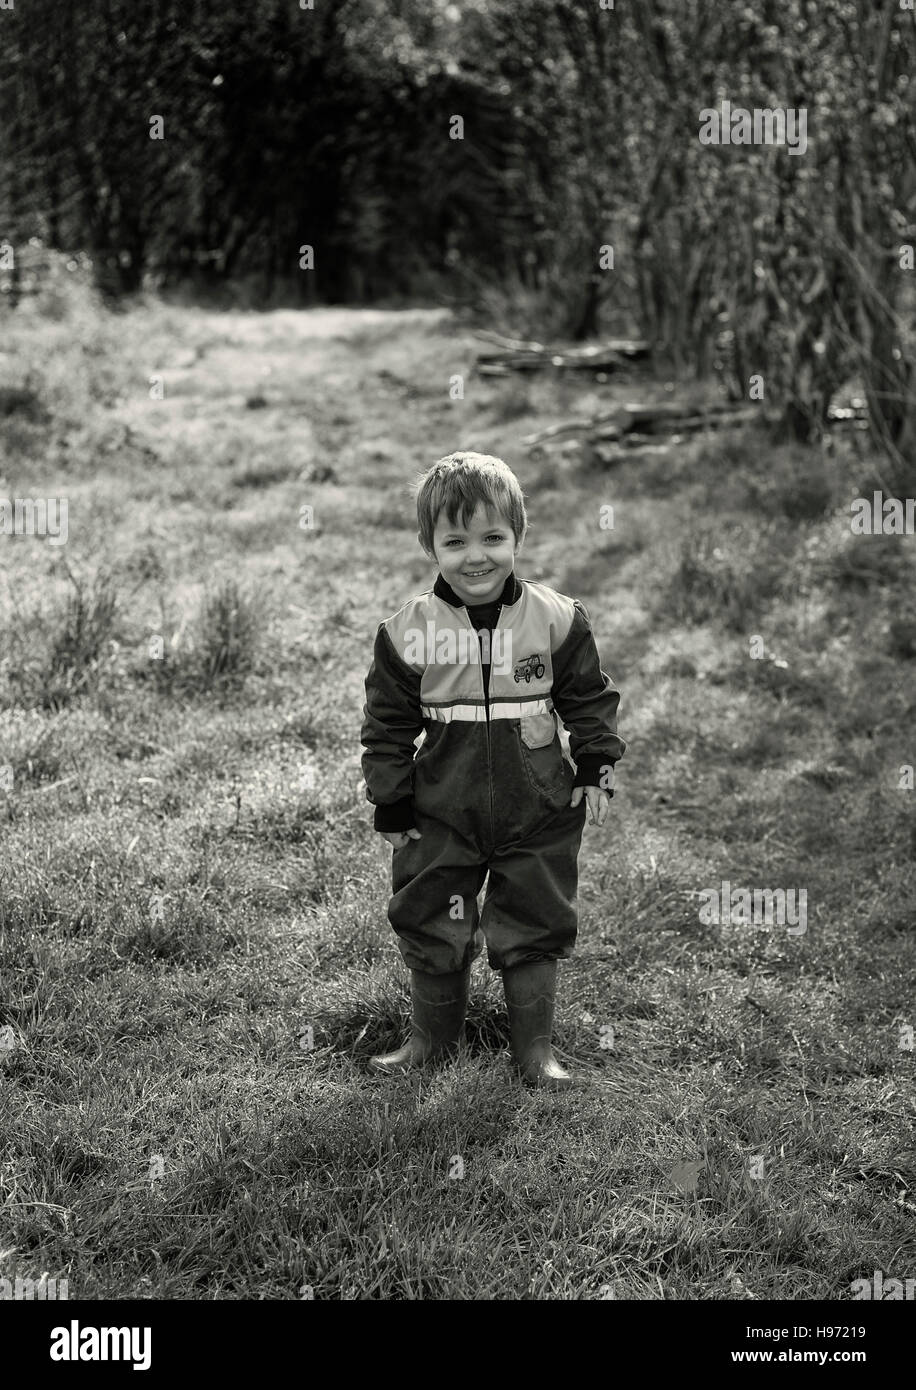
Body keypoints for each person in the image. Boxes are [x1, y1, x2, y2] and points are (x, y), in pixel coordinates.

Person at [360, 452, 626, 1089]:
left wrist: (593, 763)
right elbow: (388, 725)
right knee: (432, 911)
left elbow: (589, 699)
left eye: (492, 538)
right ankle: (431, 1041)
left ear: (517, 538)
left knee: (535, 913)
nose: (475, 557)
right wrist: (392, 801)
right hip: (441, 806)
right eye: (455, 542)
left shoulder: (557, 619)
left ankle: (534, 1052)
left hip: (536, 805)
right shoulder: (408, 633)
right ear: (430, 545)